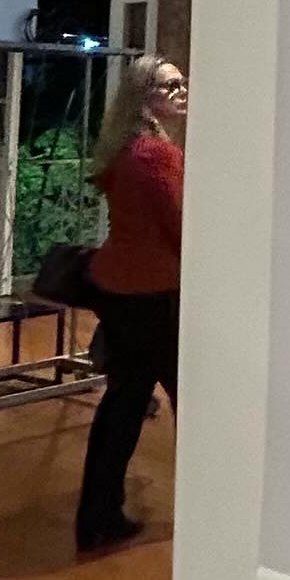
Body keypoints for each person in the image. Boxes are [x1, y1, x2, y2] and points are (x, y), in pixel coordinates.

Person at [75, 54, 186, 553]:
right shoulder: (157, 155)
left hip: (120, 291)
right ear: (145, 98)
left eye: (182, 82)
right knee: (197, 401)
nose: (182, 91)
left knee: (122, 403)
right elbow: (182, 226)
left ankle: (97, 515)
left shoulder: (123, 151)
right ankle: (214, 507)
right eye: (170, 85)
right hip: (155, 295)